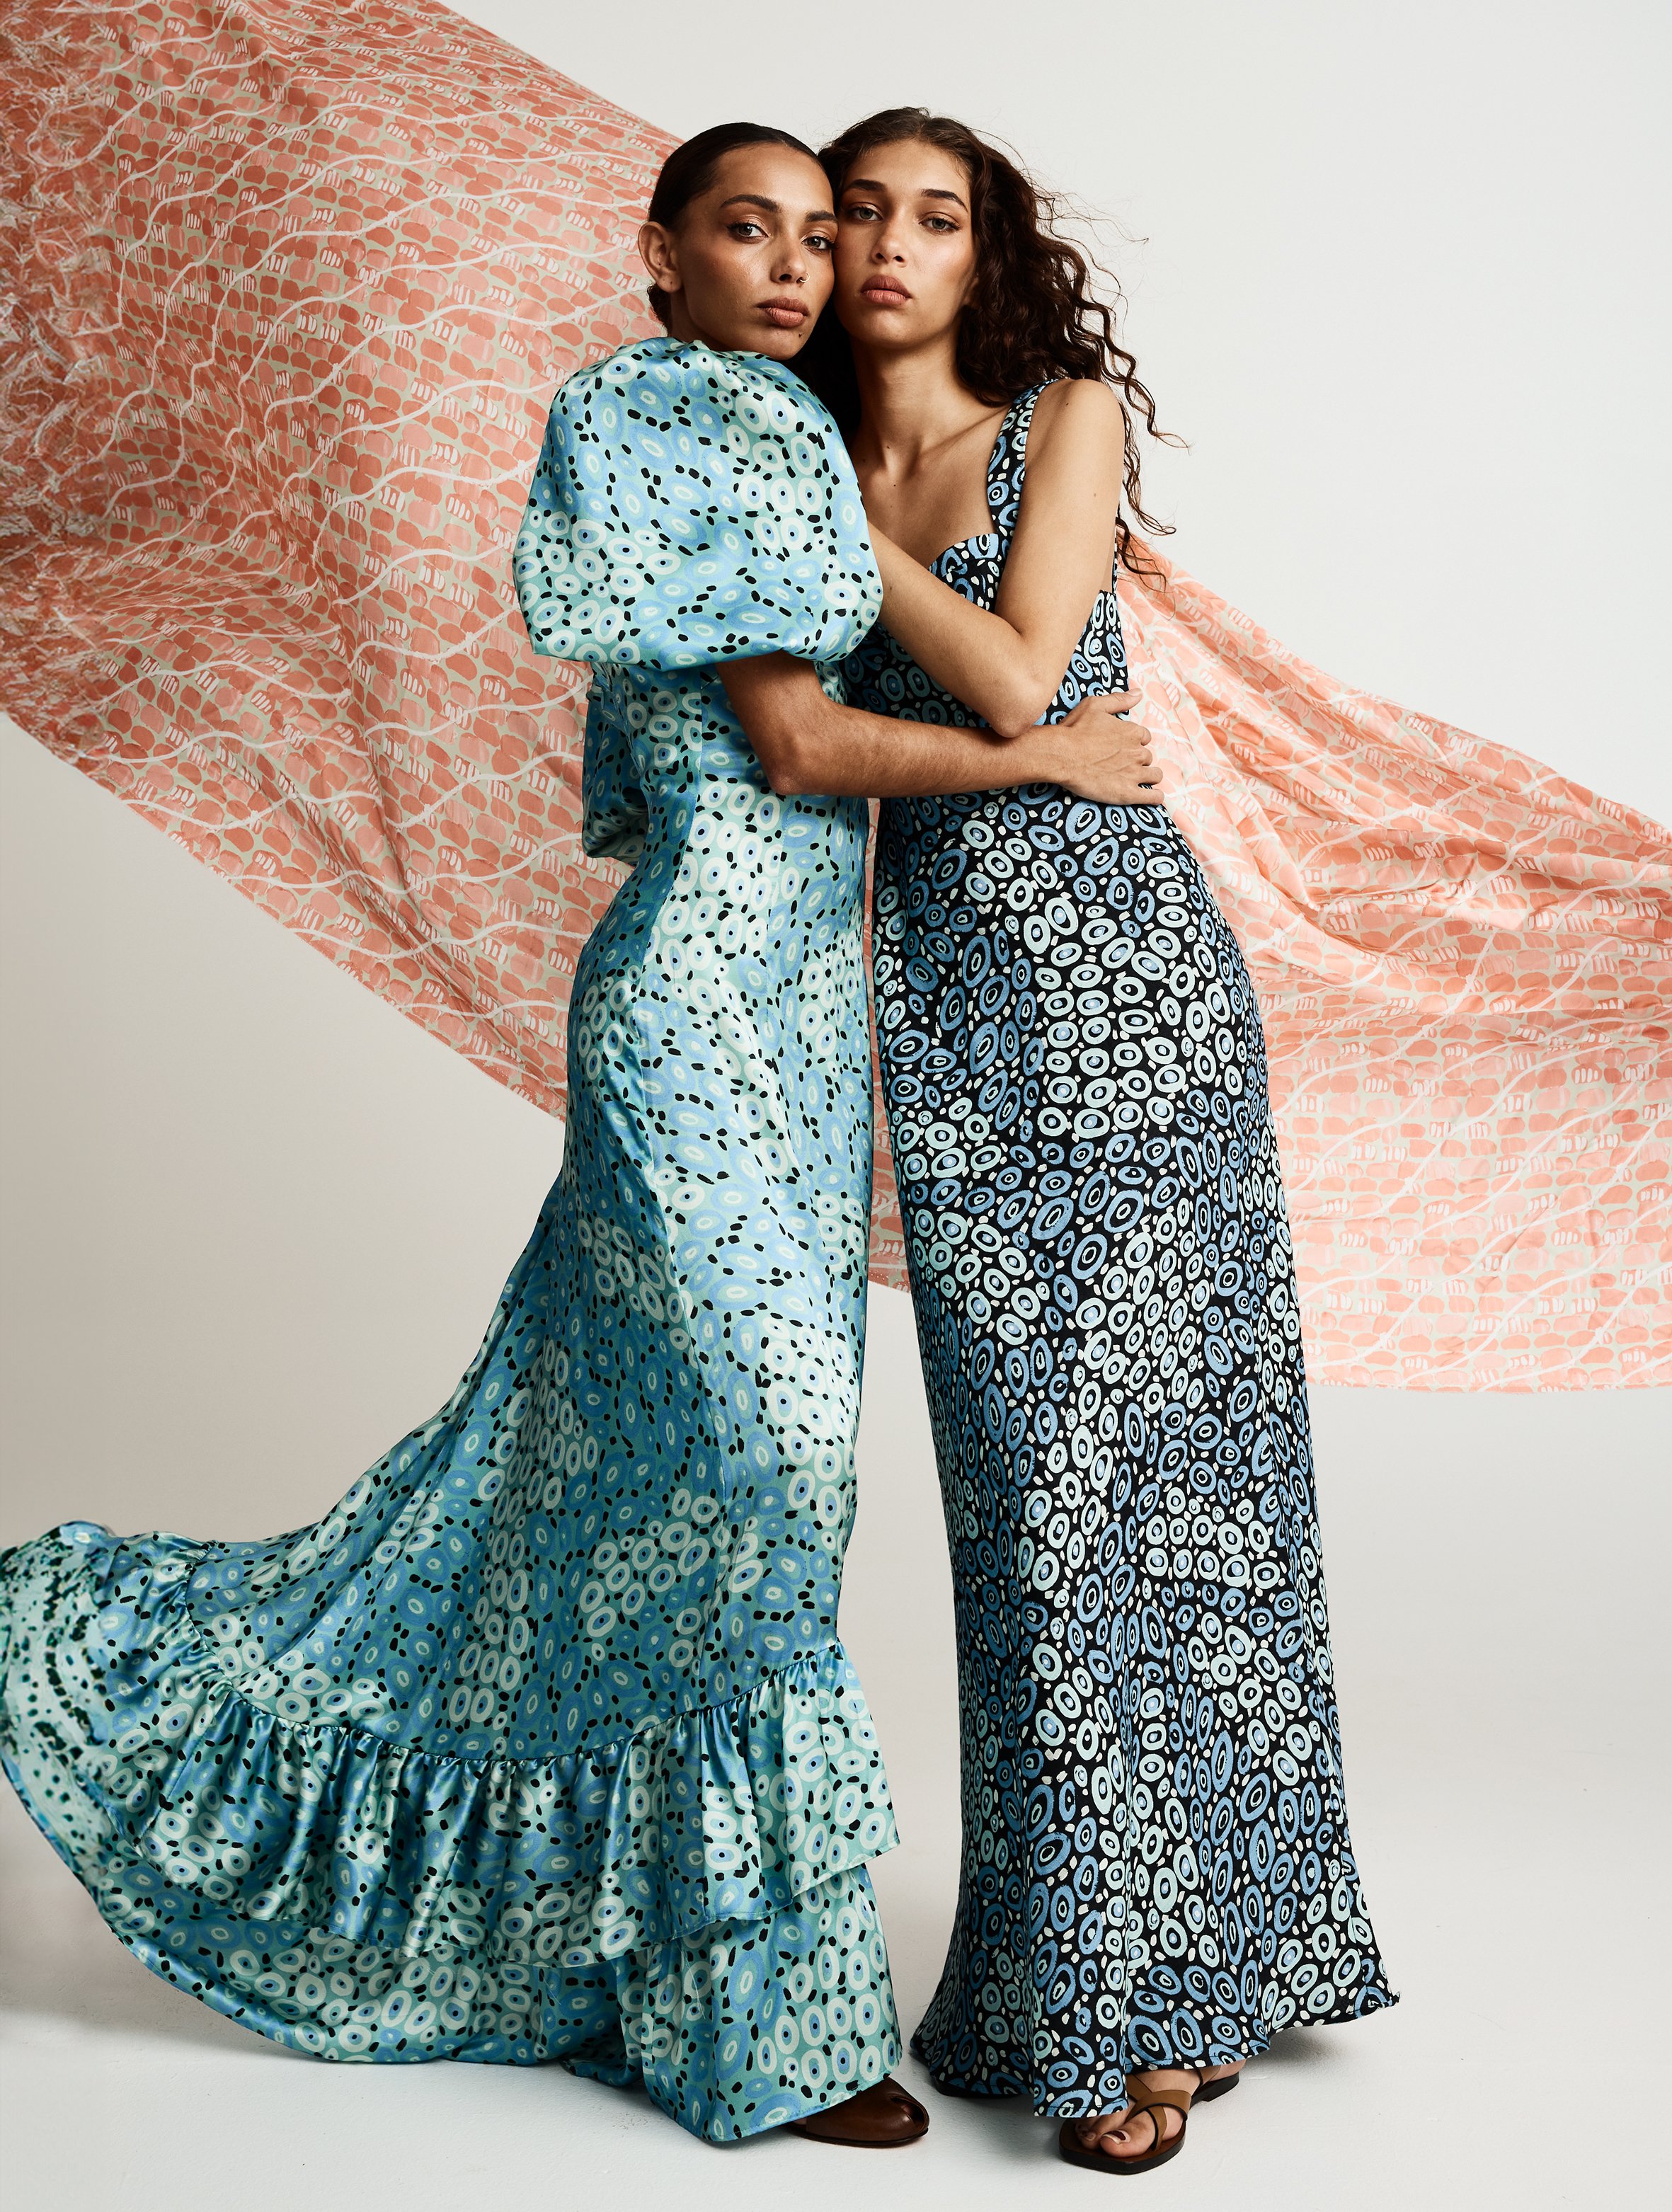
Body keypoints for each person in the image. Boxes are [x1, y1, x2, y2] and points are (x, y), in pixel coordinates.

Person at [0, 122, 1154, 2151]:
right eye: (749, 229)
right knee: (760, 1479)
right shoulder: (651, 417)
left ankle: (618, 1955)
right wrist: (1040, 751)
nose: (798, 266)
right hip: (699, 1014)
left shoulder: (773, 429)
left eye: (823, 236)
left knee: (658, 1509)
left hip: (801, 1034)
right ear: (661, 250)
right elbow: (790, 744)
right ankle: (761, 2035)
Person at [810, 107, 1398, 2174]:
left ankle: (1176, 1992)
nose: (892, 244)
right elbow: (807, 740)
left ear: (989, 256)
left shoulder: (1057, 422)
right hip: (951, 1004)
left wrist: (834, 522)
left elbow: (1015, 670)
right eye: (859, 210)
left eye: (936, 214)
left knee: (1190, 1497)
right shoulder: (785, 462)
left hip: (1135, 997)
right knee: (1034, 1508)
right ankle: (1107, 1966)